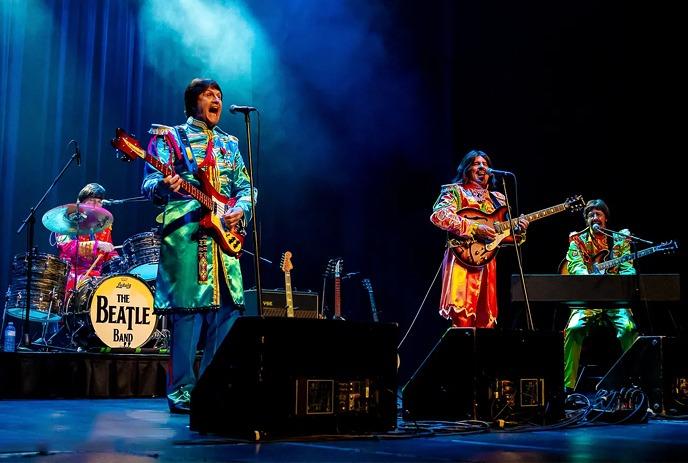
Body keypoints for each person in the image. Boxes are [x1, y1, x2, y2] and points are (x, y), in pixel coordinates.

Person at [141, 78, 253, 414]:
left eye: (219, 95)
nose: (216, 99)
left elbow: (246, 188)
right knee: (188, 311)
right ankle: (182, 392)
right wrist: (163, 183)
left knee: (230, 311)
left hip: (224, 239)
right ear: (194, 103)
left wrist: (240, 209)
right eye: (209, 95)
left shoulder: (230, 144)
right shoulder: (170, 137)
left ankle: (211, 387)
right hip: (188, 234)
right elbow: (148, 183)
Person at [430, 150, 528, 328]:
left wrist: (518, 230)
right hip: (462, 259)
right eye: (477, 163)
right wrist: (474, 227)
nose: (482, 167)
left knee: (486, 320)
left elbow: (503, 237)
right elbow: (439, 216)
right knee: (462, 317)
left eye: (485, 164)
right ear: (467, 168)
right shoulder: (456, 192)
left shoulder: (498, 199)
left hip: (487, 262)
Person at [562, 199, 638, 391]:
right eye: (591, 215)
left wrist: (622, 281)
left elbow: (628, 269)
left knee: (629, 328)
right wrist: (591, 279)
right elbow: (575, 267)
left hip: (615, 301)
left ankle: (633, 383)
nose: (595, 218)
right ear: (586, 219)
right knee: (574, 328)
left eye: (599, 214)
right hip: (588, 301)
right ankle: (568, 388)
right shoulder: (576, 241)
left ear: (606, 219)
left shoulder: (619, 240)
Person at [56, 183, 119, 291]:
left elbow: (109, 250)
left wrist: (116, 258)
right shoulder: (67, 222)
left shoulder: (103, 226)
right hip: (72, 274)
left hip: (98, 276)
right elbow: (67, 247)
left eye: (99, 201)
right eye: (92, 200)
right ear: (81, 202)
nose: (96, 204)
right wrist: (97, 244)